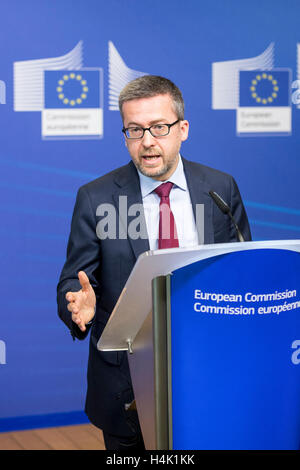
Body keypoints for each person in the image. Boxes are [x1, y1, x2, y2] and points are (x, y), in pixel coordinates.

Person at [57, 75, 251, 450]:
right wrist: (79, 307)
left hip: (209, 370)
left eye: (159, 128)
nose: (147, 141)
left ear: (183, 129)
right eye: (134, 130)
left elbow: (239, 271)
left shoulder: (219, 189)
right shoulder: (96, 198)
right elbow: (73, 281)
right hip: (126, 382)